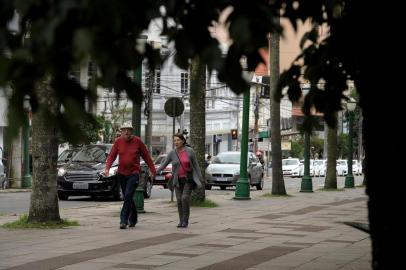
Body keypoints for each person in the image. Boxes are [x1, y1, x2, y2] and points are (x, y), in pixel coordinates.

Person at [104, 122, 156, 229]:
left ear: (132, 131)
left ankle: (123, 220)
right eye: (124, 130)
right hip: (122, 174)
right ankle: (133, 218)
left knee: (127, 195)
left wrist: (153, 170)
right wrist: (107, 168)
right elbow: (111, 156)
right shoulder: (118, 142)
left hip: (134, 173)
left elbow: (146, 156)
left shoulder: (138, 141)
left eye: (128, 130)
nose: (126, 132)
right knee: (128, 197)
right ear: (121, 131)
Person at [156, 133, 203, 228]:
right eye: (174, 140)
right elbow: (164, 164)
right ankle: (181, 220)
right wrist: (155, 171)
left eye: (178, 140)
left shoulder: (190, 151)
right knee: (179, 200)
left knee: (184, 198)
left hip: (188, 179)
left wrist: (200, 177)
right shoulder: (172, 153)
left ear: (183, 141)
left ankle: (185, 220)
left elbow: (196, 165)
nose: (176, 142)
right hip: (177, 180)